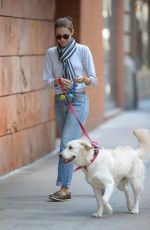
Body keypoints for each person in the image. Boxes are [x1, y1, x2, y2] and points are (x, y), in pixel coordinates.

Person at [43, 16, 97, 201]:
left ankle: (64, 189)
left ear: (72, 32)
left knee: (66, 141)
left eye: (66, 36)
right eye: (58, 37)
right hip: (60, 100)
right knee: (71, 143)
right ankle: (99, 174)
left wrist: (83, 79)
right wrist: (57, 81)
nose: (62, 40)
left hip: (79, 100)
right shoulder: (51, 53)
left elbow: (93, 79)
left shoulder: (83, 50)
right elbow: (46, 80)